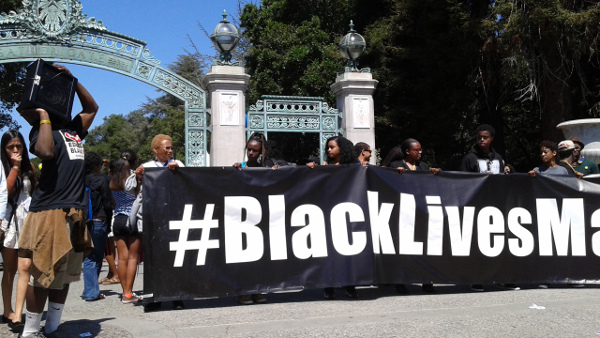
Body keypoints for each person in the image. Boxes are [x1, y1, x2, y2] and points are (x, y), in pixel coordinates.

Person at [17, 64, 98, 338]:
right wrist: (41, 115)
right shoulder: (41, 132)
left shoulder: (73, 129)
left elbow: (91, 108)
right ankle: (30, 331)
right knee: (43, 275)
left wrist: (73, 81)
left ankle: (52, 328)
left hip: (74, 212)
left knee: (64, 277)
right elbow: (46, 153)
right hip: (49, 212)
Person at [460, 125, 517, 292]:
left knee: (500, 243)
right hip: (478, 206)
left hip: (498, 206)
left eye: (485, 137)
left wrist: (509, 170)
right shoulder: (469, 158)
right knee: (479, 244)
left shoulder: (498, 158)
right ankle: (477, 278)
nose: (481, 140)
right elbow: (462, 182)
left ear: (491, 138)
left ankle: (503, 278)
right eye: (479, 137)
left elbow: (507, 181)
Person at [134, 135, 185, 311]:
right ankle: (155, 296)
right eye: (166, 148)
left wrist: (178, 171)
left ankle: (177, 296)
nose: (170, 151)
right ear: (155, 150)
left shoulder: (178, 164)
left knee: (175, 259)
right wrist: (138, 176)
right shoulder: (147, 167)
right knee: (154, 260)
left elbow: (188, 182)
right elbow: (128, 188)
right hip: (153, 220)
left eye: (171, 148)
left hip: (174, 217)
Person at [0, 130, 36, 331]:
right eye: (10, 147)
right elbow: (6, 191)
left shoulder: (30, 167)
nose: (15, 150)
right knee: (10, 270)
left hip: (27, 220)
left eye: (18, 146)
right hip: (9, 222)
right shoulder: (2, 168)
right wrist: (14, 167)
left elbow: (33, 192)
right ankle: (7, 310)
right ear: (3, 149)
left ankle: (18, 313)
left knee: (26, 268)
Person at [393, 139, 439, 294]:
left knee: (424, 248)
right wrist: (395, 175)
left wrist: (435, 175)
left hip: (420, 212)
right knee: (403, 249)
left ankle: (427, 281)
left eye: (421, 150)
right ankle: (400, 281)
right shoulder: (395, 166)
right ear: (407, 151)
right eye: (416, 150)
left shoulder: (423, 166)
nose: (420, 152)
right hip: (403, 213)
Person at [232, 132, 269, 305]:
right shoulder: (240, 167)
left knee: (260, 257)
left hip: (262, 219)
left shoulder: (267, 168)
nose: (251, 153)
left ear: (261, 151)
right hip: (243, 219)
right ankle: (244, 292)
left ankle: (259, 290)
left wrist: (274, 174)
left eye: (255, 150)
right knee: (244, 258)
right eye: (249, 150)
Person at [321, 135, 359, 300]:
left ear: (341, 149)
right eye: (328, 148)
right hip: (327, 213)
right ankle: (328, 286)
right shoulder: (323, 166)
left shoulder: (354, 166)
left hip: (347, 213)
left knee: (347, 252)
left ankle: (349, 284)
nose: (329, 150)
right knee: (329, 253)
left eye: (332, 147)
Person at [81, 151, 112, 302]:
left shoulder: (79, 180)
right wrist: (109, 221)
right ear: (95, 166)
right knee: (95, 257)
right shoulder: (102, 180)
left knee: (89, 256)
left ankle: (91, 288)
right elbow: (107, 202)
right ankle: (91, 292)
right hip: (99, 220)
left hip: (82, 222)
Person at [110, 153, 141, 305]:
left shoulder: (112, 182)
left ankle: (124, 292)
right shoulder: (133, 178)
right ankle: (129, 293)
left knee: (121, 258)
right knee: (133, 257)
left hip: (118, 219)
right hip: (133, 219)